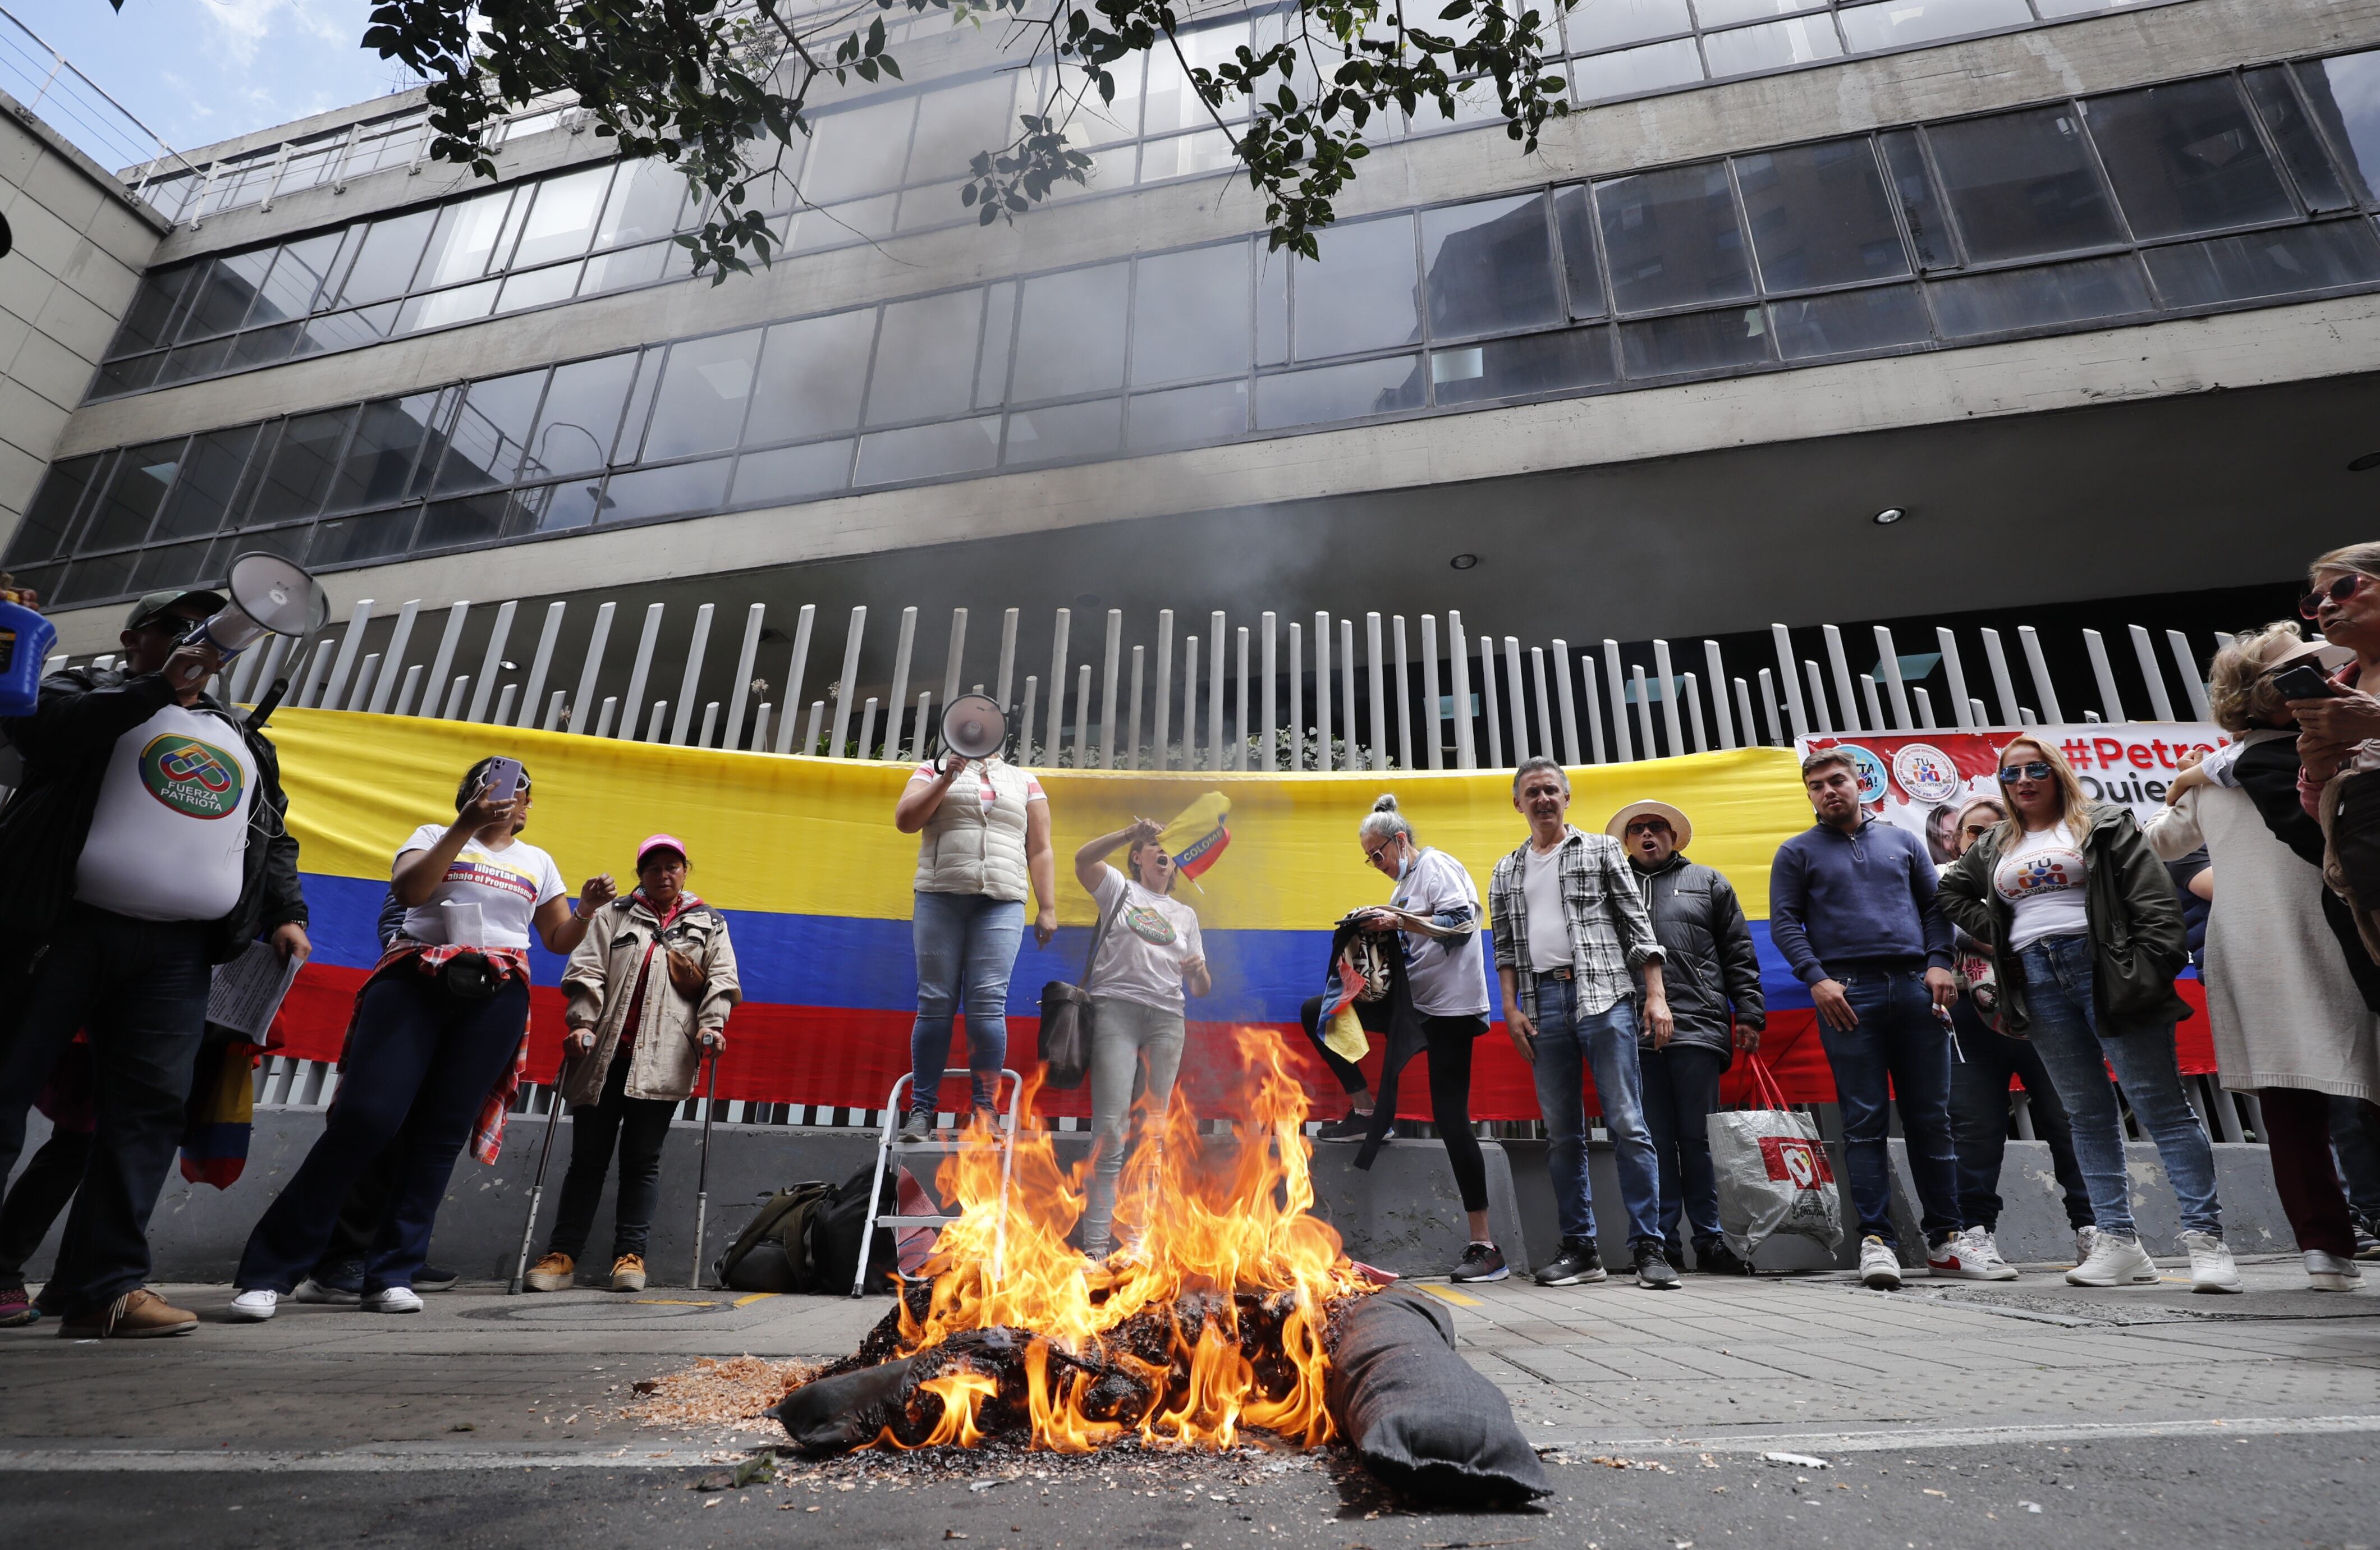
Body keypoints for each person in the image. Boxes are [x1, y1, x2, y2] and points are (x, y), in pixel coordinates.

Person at [0, 586, 309, 1338]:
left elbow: (271, 832)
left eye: (208, 635)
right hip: (63, 928)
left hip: (177, 952)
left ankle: (104, 1289)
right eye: (176, 628)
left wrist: (287, 910)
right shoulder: (86, 689)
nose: (196, 643)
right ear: (134, 637)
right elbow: (43, 736)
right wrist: (153, 686)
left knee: (145, 1116)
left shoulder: (241, 737)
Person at [229, 758, 613, 1319]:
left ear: (529, 808)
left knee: (440, 1134)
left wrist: (585, 909)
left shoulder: (538, 861)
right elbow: (411, 890)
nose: (510, 799)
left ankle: (392, 1271)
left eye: (520, 793)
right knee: (365, 1118)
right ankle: (269, 1271)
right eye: (495, 788)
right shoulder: (433, 835)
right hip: (415, 980)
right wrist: (465, 824)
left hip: (498, 991)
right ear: (470, 794)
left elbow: (556, 938)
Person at [1938, 738, 2240, 1294]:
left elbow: (2154, 901)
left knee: (2161, 1107)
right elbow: (1949, 891)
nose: (2023, 780)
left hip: (2105, 969)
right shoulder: (1997, 842)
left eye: (2035, 769)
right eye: (2011, 773)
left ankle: (2206, 1241)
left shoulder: (2101, 821)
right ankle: (2118, 1242)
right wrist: (1999, 936)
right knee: (2086, 1114)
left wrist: (2147, 968)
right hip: (2034, 976)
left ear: (2056, 772)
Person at [2148, 624, 2377, 1292]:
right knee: (2342, 1089)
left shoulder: (2228, 770)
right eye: (2302, 676)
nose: (2327, 681)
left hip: (2260, 941)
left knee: (2292, 1104)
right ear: (2267, 694)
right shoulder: (2329, 755)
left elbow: (2160, 841)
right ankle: (2324, 1247)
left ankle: (2324, 1249)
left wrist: (2202, 772)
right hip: (2324, 933)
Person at [1768, 747, 1966, 1291]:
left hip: (1914, 987)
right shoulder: (1795, 852)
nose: (1828, 791)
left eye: (1837, 781)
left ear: (1860, 784)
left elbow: (1935, 908)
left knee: (1931, 1116)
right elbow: (1785, 923)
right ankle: (1875, 1242)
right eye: (1816, 786)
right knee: (1863, 1122)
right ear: (1808, 795)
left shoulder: (1902, 841)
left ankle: (1946, 1241)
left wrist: (1938, 963)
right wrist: (1816, 977)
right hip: (1845, 994)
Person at [524, 834, 741, 1293]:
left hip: (665, 1060)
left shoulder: (710, 923)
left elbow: (721, 979)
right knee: (586, 1161)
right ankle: (561, 1257)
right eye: (653, 868)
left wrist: (712, 1026)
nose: (664, 875)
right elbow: (586, 970)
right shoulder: (612, 914)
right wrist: (581, 1023)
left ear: (685, 871)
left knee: (642, 1162)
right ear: (640, 873)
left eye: (673, 867)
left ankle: (630, 1258)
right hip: (602, 1055)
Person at [1490, 759, 1676, 1291]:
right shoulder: (1506, 870)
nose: (1543, 799)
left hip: (1605, 996)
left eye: (1551, 790)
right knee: (1562, 1134)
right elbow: (1504, 947)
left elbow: (1637, 927)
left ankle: (1649, 1248)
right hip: (1543, 1002)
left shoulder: (1599, 849)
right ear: (1518, 803)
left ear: (1566, 798)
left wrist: (1655, 997)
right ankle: (1581, 1249)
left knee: (1627, 1123)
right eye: (1533, 792)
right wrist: (1510, 1008)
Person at [1314, 795, 1505, 1281]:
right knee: (1321, 1011)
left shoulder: (1436, 865)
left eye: (1377, 854)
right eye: (1369, 858)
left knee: (1450, 1115)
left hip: (1451, 1010)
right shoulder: (1402, 886)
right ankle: (1362, 1111)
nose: (1375, 864)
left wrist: (1399, 920)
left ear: (1399, 840)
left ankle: (1485, 1246)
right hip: (1413, 1005)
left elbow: (1459, 927)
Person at [1941, 796, 2096, 1277]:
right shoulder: (1944, 878)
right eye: (1973, 831)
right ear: (1955, 839)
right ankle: (1975, 1233)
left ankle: (2095, 1230)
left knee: (2070, 1120)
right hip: (1972, 1017)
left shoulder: (2035, 871)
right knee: (1973, 1130)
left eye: (1997, 828)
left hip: (2049, 1010)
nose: (1984, 839)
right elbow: (1951, 928)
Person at [1609, 799, 1763, 1276]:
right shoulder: (1611, 887)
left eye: (1657, 827)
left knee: (1697, 1140)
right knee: (1650, 1140)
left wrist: (1749, 1014)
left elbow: (1738, 951)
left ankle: (1711, 1241)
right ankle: (1661, 1245)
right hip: (1631, 1029)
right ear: (1627, 841)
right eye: (1638, 830)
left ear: (1673, 837)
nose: (1648, 835)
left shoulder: (1709, 882)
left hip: (1697, 1024)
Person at [892, 743, 1057, 1141]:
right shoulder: (931, 769)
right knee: (935, 1002)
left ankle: (985, 1112)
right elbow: (905, 820)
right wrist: (947, 776)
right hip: (939, 896)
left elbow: (1040, 847)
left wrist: (1047, 905)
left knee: (987, 1004)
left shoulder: (1024, 780)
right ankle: (921, 1112)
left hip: (1001, 902)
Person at [1069, 817, 1209, 1261]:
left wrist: (1197, 971)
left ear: (1174, 866)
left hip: (1168, 1019)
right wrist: (1128, 832)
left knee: (1151, 1135)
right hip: (1116, 1012)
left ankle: (1136, 1244)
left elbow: (1203, 989)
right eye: (1153, 844)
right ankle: (1094, 1249)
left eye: (1167, 847)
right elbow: (1081, 860)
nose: (1162, 851)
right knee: (1110, 1131)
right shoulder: (1118, 889)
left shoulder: (1186, 915)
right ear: (1138, 857)